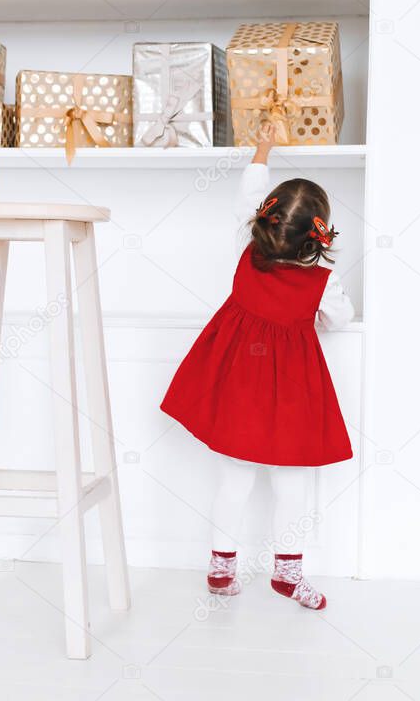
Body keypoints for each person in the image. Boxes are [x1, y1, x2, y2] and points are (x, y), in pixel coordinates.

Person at [160, 126, 355, 610]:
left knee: (235, 479)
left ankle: (221, 570)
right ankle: (287, 572)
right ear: (319, 233)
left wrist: (263, 147)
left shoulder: (244, 248)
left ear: (264, 221)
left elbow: (246, 193)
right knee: (292, 482)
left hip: (236, 382)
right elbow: (342, 317)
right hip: (291, 388)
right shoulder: (321, 282)